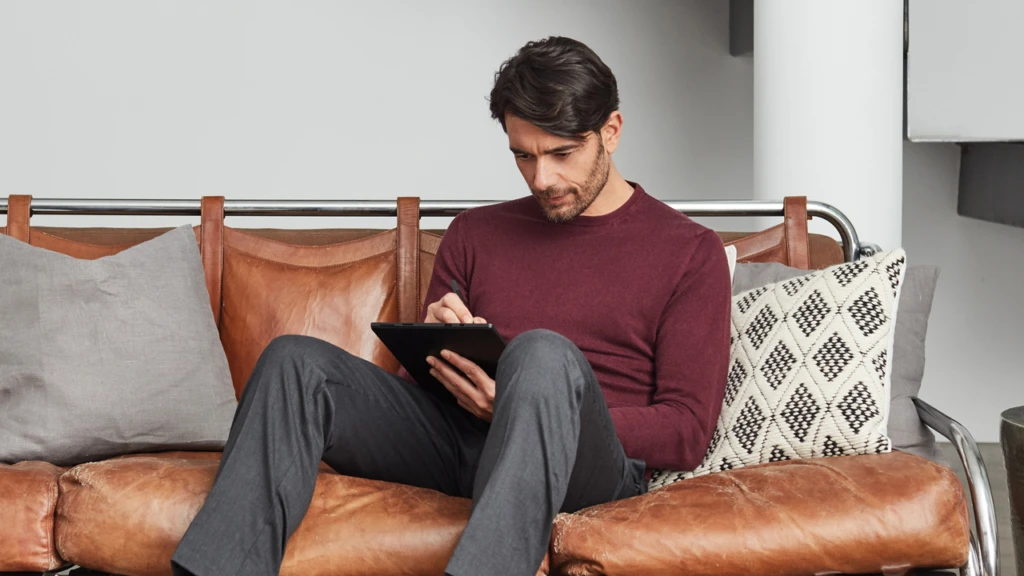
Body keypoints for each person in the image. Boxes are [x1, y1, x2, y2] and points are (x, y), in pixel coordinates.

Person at [170, 36, 731, 576]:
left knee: (539, 354)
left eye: (562, 154)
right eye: (524, 156)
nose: (544, 178)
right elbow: (415, 400)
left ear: (610, 131)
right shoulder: (475, 233)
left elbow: (684, 431)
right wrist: (433, 345)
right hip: (459, 442)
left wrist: (517, 407)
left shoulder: (689, 251)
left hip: (585, 467)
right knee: (294, 362)